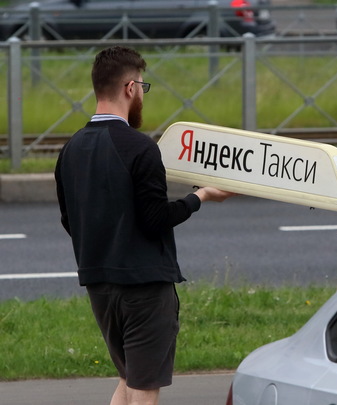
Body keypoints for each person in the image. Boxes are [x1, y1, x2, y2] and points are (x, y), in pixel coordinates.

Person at [54, 45, 235, 405]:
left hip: (98, 283)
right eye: (143, 87)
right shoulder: (140, 148)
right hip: (143, 287)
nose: (142, 96)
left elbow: (69, 220)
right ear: (130, 87)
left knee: (127, 379)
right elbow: (155, 220)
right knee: (144, 388)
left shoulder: (70, 149)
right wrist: (200, 197)